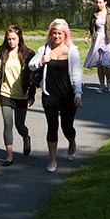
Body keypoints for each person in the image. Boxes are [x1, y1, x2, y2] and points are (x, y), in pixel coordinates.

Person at [28, 19, 83, 173]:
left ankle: (71, 141)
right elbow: (31, 65)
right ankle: (52, 160)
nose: (57, 36)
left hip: (67, 95)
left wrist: (78, 93)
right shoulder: (44, 49)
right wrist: (41, 61)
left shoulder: (71, 51)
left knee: (67, 127)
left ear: (65, 35)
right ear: (50, 34)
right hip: (49, 94)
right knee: (52, 127)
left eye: (60, 34)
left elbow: (77, 74)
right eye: (54, 33)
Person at [0, 25, 35, 166]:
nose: (11, 41)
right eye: (9, 39)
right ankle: (9, 156)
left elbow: (32, 77)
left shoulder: (28, 54)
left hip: (21, 94)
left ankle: (26, 137)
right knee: (7, 124)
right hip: (5, 93)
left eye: (14, 39)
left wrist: (32, 94)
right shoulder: (2, 52)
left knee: (19, 125)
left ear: (19, 38)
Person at [84, 0, 110, 93]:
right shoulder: (94, 14)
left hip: (108, 40)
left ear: (105, 3)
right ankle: (101, 84)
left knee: (107, 63)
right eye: (97, 2)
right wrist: (87, 36)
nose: (98, 4)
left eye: (100, 2)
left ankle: (109, 82)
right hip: (98, 39)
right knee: (100, 63)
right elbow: (91, 27)